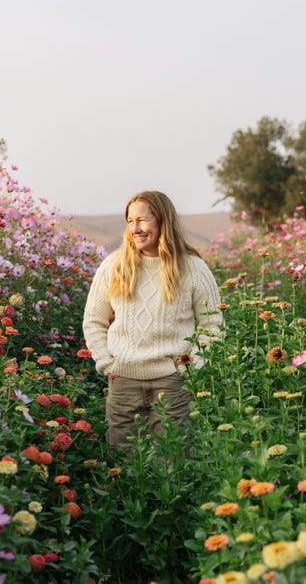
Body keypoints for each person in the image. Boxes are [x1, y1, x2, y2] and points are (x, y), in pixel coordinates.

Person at [82, 190, 222, 451]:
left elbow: (212, 324)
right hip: (122, 381)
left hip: (172, 384)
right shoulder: (114, 266)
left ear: (163, 221)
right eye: (130, 221)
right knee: (123, 462)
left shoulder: (192, 268)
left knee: (172, 463)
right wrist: (105, 361)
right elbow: (93, 320)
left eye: (143, 220)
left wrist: (191, 366)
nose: (135, 228)